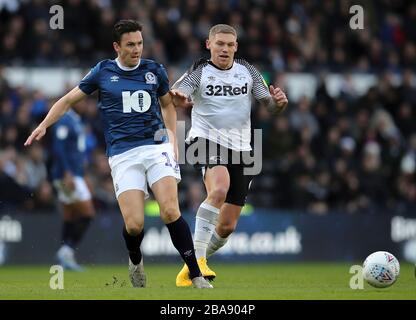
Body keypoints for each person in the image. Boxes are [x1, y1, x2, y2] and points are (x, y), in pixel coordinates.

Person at [25, 20, 212, 289]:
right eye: (130, 45)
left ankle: (195, 274)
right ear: (117, 46)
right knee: (134, 225)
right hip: (123, 154)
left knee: (170, 210)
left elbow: (168, 105)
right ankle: (135, 260)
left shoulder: (154, 70)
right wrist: (44, 125)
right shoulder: (103, 72)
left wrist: (172, 139)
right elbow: (67, 101)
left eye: (139, 43)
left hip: (155, 147)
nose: (137, 49)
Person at [171, 24, 288, 287]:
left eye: (230, 44)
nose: (225, 49)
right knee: (219, 189)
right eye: (219, 43)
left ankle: (192, 262)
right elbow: (177, 93)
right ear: (208, 44)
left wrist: (277, 104)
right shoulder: (199, 71)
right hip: (205, 141)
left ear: (236, 46)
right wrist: (177, 98)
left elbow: (268, 105)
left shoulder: (248, 71)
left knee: (226, 227)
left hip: (243, 149)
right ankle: (197, 265)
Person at [51, 103, 95, 271]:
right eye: (81, 100)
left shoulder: (76, 120)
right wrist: (68, 172)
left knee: (70, 214)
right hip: (66, 175)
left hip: (74, 174)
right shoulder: (65, 119)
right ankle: (66, 250)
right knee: (88, 213)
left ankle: (65, 255)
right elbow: (59, 147)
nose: (84, 103)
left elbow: (75, 150)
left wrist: (81, 173)